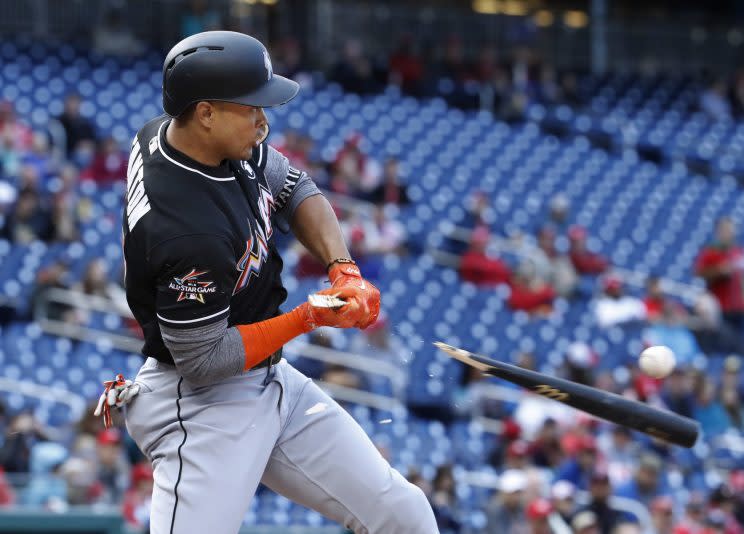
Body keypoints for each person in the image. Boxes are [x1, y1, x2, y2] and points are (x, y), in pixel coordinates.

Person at [104, 31, 434, 534]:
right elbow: (205, 360)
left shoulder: (182, 136)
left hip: (269, 378)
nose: (264, 120)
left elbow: (294, 186)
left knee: (403, 514)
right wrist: (308, 317)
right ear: (206, 112)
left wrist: (343, 268)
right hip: (200, 403)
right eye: (251, 107)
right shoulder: (187, 229)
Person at [695, 217, 744, 332]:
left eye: (730, 230)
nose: (729, 233)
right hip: (721, 307)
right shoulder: (711, 252)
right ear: (718, 232)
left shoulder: (738, 252)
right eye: (725, 230)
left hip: (739, 307)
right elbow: (699, 272)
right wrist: (719, 271)